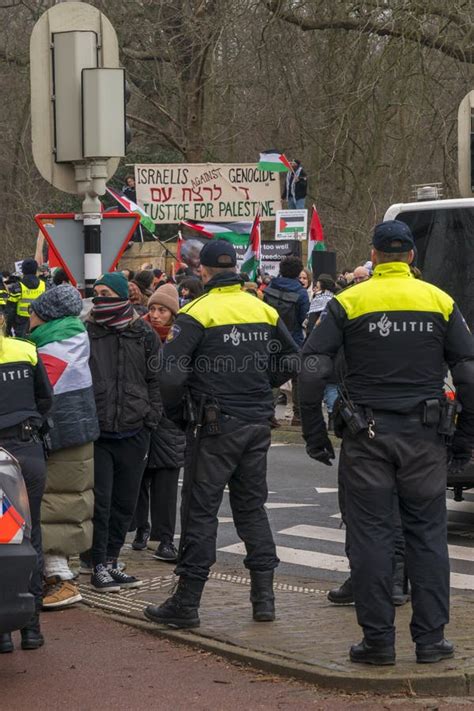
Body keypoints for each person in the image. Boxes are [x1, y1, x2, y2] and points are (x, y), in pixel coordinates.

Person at [299, 220, 474, 666]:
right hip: (425, 437)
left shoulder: (348, 301)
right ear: (412, 256)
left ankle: (378, 643)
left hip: (367, 437)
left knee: (371, 539)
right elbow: (468, 371)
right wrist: (465, 437)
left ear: (374, 256)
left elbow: (314, 366)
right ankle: (431, 642)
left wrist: (313, 431)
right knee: (428, 537)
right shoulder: (439, 300)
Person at [144, 240, 299, 629]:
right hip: (256, 423)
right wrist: (263, 385)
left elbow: (170, 374)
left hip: (212, 426)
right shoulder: (262, 308)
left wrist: (179, 415)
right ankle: (264, 600)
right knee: (251, 509)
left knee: (200, 510)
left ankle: (187, 602)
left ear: (204, 272)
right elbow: (294, 359)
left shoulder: (197, 312)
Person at [83, 272, 162, 592]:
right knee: (100, 502)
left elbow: (156, 379)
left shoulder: (143, 332)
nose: (99, 297)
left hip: (134, 429)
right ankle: (98, 563)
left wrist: (150, 417)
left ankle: (113, 560)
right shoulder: (87, 330)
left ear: (122, 296)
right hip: (98, 431)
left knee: (125, 502)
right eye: (96, 292)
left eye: (106, 292)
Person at [28, 285, 99, 610]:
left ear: (45, 315)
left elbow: (40, 395)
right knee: (68, 506)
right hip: (79, 433)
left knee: (54, 509)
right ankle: (59, 576)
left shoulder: (48, 346)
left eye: (33, 311)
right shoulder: (75, 337)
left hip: (58, 440)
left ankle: (61, 581)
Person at [0, 303, 53, 653]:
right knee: (29, 535)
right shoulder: (26, 349)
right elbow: (46, 400)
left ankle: (3, 631)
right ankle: (31, 628)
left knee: (3, 541)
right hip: (29, 449)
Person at [133, 285, 185, 561]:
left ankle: (164, 539)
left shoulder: (181, 340)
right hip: (141, 416)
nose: (154, 315)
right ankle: (142, 528)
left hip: (171, 420)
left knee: (166, 482)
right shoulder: (137, 335)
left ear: (173, 314)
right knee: (139, 478)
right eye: (152, 308)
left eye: (162, 310)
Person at [264, 256, 310, 426]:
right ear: (298, 272)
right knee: (297, 375)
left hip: (271, 338)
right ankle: (298, 416)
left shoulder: (268, 289)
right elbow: (304, 319)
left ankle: (269, 413)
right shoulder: (301, 293)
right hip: (293, 340)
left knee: (270, 375)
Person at [7, 259, 46, 338]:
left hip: (21, 324)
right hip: (39, 323)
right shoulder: (44, 285)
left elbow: (10, 310)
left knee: (22, 347)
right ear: (36, 270)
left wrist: (8, 328)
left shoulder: (17, 287)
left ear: (23, 270)